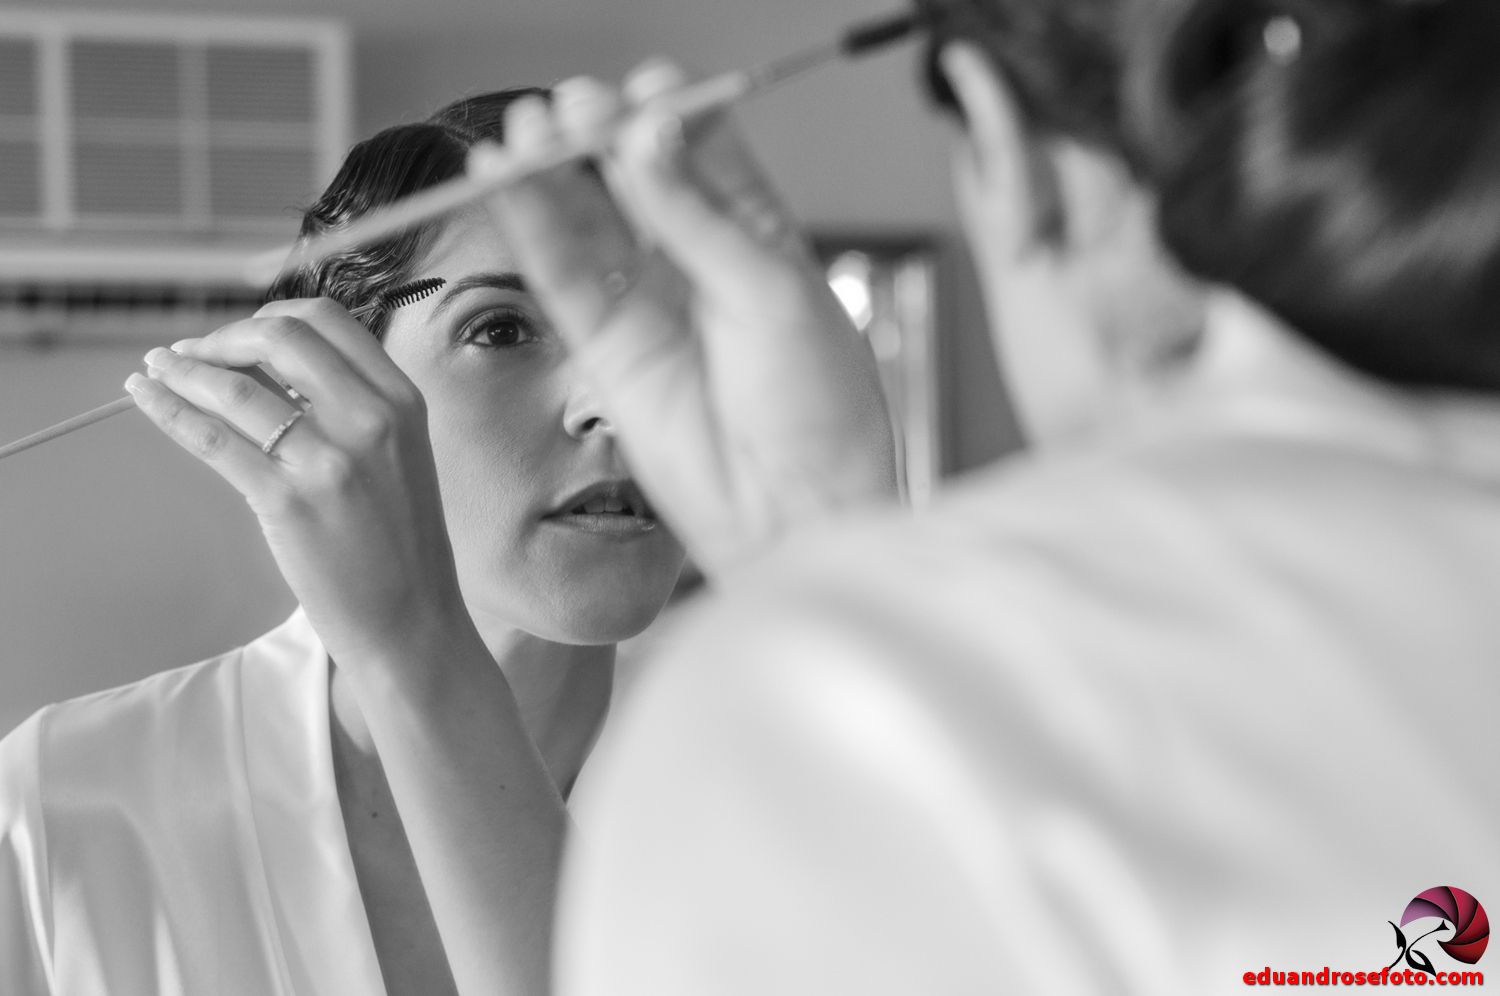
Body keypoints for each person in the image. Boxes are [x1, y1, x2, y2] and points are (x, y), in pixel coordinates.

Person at [458, 0, 1500, 990]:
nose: (598, 408)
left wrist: (835, 634)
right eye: (499, 330)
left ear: (1003, 140)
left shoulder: (871, 703)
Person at [0, 88, 894, 996]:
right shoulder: (60, 809)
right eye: (500, 329)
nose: (615, 401)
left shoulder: (805, 795)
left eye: (665, 328)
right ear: (316, 387)